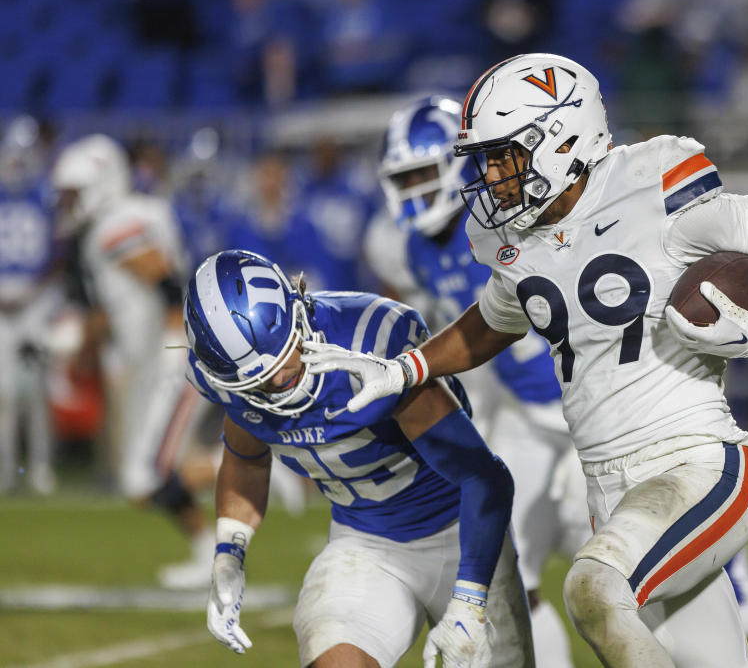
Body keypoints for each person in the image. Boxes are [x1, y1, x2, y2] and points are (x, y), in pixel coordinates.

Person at [305, 53, 748, 668]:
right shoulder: (518, 239)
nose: (493, 177)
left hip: (696, 460)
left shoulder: (652, 184)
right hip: (606, 481)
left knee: (594, 589)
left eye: (504, 155)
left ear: (560, 138)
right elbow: (492, 321)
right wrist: (408, 368)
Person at [184, 249, 534, 667]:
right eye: (260, 383)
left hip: (463, 537)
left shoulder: (368, 343)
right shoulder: (231, 383)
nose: (279, 380)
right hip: (364, 544)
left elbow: (484, 478)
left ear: (298, 311)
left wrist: (471, 598)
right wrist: (229, 552)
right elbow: (246, 457)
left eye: (283, 358)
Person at [376, 94, 590, 668]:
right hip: (528, 415)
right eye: (406, 177)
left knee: (615, 576)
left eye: (425, 172)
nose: (417, 188)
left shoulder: (513, 219)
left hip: (590, 412)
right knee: (507, 564)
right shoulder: (419, 249)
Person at [50, 134, 213, 588]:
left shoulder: (116, 223)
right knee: (147, 474)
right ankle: (209, 555)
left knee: (144, 477)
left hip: (174, 356)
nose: (68, 202)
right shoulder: (117, 222)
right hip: (158, 359)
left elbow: (165, 283)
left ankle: (269, 464)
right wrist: (73, 347)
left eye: (74, 192)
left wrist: (172, 346)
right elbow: (114, 310)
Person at [0, 116, 62, 494]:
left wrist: (34, 294)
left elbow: (59, 253)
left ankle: (40, 467)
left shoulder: (46, 196)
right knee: (4, 394)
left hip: (37, 300)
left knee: (38, 390)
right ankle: (6, 470)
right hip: (2, 301)